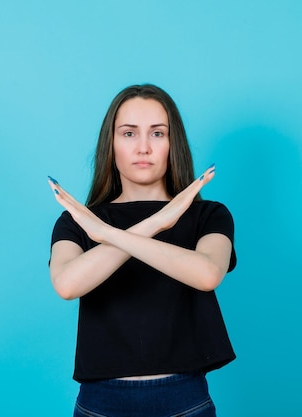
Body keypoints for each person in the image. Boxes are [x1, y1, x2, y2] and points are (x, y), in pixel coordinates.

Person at [48, 84, 237, 417]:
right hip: (100, 403)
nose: (144, 147)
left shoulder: (208, 215)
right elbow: (67, 284)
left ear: (172, 143)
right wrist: (155, 223)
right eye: (129, 133)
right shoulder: (78, 221)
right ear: (111, 143)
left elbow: (207, 274)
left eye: (158, 133)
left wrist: (107, 235)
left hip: (185, 400)